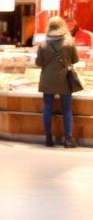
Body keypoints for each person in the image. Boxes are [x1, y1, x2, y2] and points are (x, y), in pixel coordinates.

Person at [37, 16, 80, 148]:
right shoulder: (69, 42)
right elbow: (75, 60)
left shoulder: (43, 44)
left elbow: (39, 62)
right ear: (63, 26)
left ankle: (48, 139)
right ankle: (68, 140)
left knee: (47, 108)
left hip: (47, 80)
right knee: (67, 109)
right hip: (64, 79)